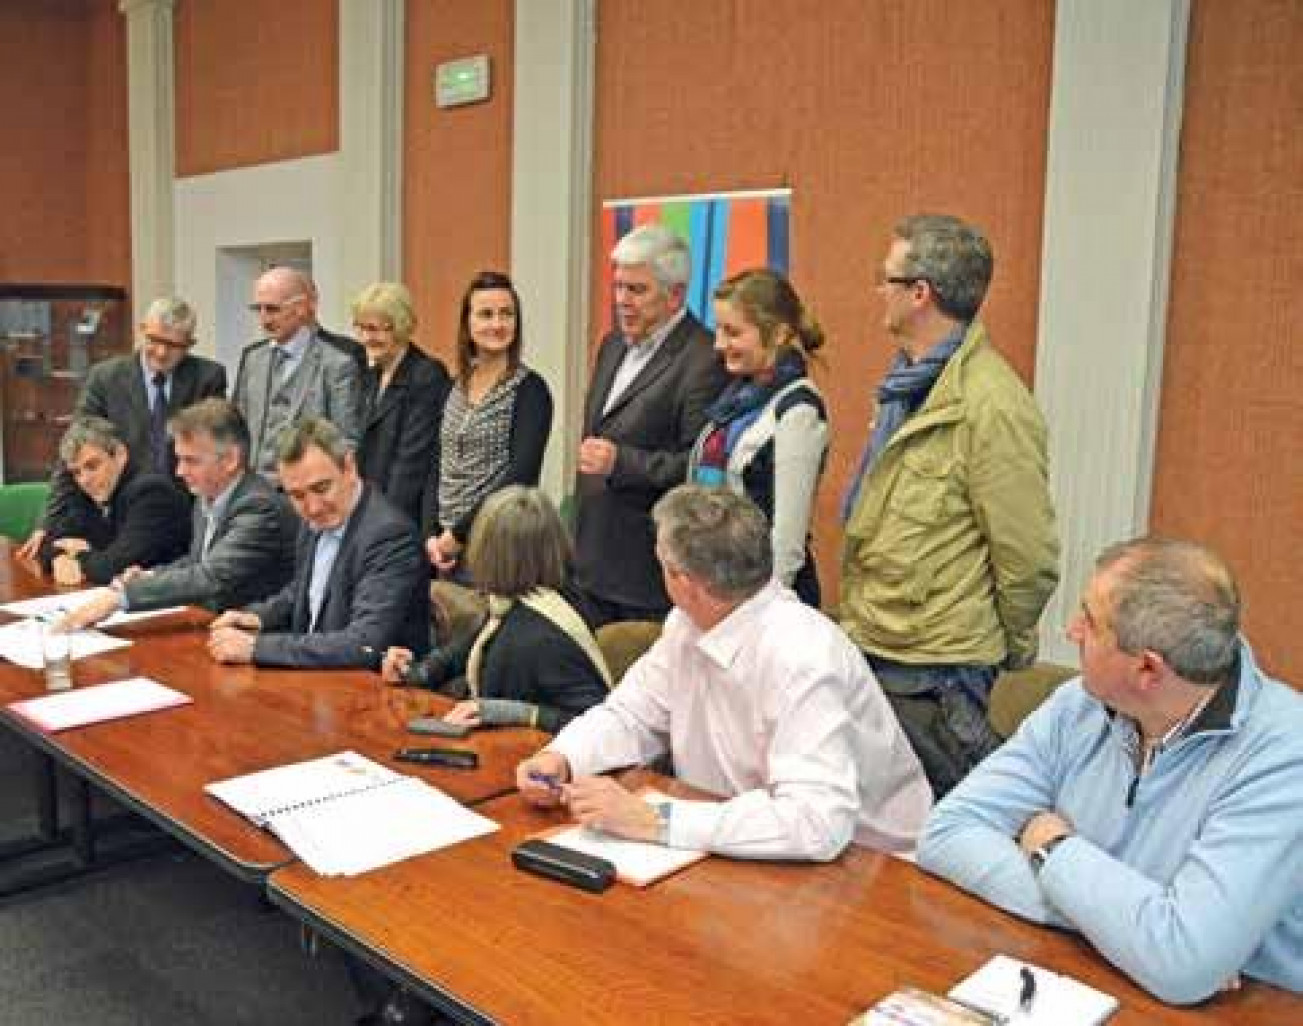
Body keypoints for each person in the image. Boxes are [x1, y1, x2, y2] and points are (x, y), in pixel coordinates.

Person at [918, 537, 1303, 1004]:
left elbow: (1184, 965)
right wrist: (1123, 926)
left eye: (1090, 622)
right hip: (1091, 981)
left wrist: (1051, 847)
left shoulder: (1284, 756)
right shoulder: (1080, 704)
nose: (1071, 630)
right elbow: (946, 832)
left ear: (1147, 669)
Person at [517, 484, 932, 861]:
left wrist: (657, 821)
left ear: (683, 581)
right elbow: (631, 715)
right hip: (737, 845)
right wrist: (564, 756)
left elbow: (816, 822)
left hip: (869, 869)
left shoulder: (803, 654)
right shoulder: (687, 625)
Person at [840, 213, 1060, 796]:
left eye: (885, 279)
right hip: (877, 640)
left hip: (936, 666)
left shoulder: (992, 406)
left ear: (920, 294)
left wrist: (1002, 646)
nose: (875, 292)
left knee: (941, 829)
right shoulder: (906, 388)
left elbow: (1027, 555)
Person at [573, 224, 727, 626]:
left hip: (646, 573)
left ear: (675, 294)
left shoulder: (704, 358)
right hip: (591, 562)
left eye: (637, 290)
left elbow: (695, 467)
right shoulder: (611, 345)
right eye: (619, 287)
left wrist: (621, 462)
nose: (622, 301)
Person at [53, 400, 297, 631]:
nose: (180, 472)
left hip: (256, 634)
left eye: (191, 461)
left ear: (231, 459)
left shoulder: (258, 507)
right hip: (211, 625)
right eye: (179, 460)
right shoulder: (207, 496)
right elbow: (195, 560)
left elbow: (211, 576)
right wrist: (152, 576)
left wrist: (123, 597)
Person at [206, 417, 429, 669]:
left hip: (373, 692)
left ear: (349, 467)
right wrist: (257, 618)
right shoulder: (316, 520)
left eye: (322, 488)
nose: (312, 507)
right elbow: (306, 591)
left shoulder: (389, 536)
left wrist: (257, 648)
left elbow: (363, 643)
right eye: (297, 495)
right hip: (317, 681)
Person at [384, 486, 610, 733]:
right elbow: (463, 652)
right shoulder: (513, 603)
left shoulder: (542, 635)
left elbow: (597, 724)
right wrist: (414, 672)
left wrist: (514, 713)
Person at [17, 296, 226, 560]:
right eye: (154, 340)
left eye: (173, 345)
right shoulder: (105, 378)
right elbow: (74, 450)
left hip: (185, 517)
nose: (161, 352)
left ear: (190, 345)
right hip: (123, 518)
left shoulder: (208, 377)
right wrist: (47, 525)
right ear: (141, 331)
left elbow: (214, 449)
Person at [688, 268, 828, 607]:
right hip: (720, 585)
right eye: (718, 330)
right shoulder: (734, 400)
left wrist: (758, 616)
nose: (719, 345)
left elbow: (788, 542)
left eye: (733, 332)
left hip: (767, 600)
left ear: (778, 334)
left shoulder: (799, 410)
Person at [421, 270, 552, 577]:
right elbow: (437, 464)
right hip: (445, 549)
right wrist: (431, 534)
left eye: (507, 314)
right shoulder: (454, 387)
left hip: (501, 545)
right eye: (486, 314)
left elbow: (521, 473)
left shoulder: (530, 390)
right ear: (468, 324)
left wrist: (459, 535)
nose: (497, 324)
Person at [232, 267, 363, 482]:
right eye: (259, 309)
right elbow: (237, 425)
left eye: (272, 309)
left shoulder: (336, 364)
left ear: (302, 308)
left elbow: (345, 440)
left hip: (307, 491)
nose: (264, 319)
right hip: (254, 489)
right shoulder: (253, 359)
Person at [38, 416, 190, 586]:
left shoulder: (152, 493)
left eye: (92, 466)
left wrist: (78, 555)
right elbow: (46, 544)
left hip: (172, 603)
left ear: (120, 455)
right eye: (76, 472)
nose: (84, 480)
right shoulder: (86, 493)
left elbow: (113, 567)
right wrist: (59, 557)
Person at [352, 282, 451, 526]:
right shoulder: (370, 376)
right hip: (369, 509)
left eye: (375, 329)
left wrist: (382, 522)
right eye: (361, 327)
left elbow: (411, 463)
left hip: (403, 518)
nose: (366, 338)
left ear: (400, 327)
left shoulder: (427, 374)